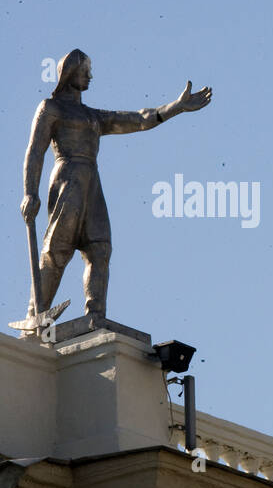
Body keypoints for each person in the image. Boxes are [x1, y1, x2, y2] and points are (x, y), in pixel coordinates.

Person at [19, 49, 212, 321]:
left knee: (100, 248)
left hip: (91, 182)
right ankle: (34, 318)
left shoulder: (93, 116)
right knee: (56, 250)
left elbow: (140, 119)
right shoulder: (51, 108)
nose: (90, 76)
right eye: (86, 70)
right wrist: (30, 192)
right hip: (68, 178)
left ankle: (95, 315)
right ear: (71, 72)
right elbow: (34, 151)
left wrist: (176, 107)